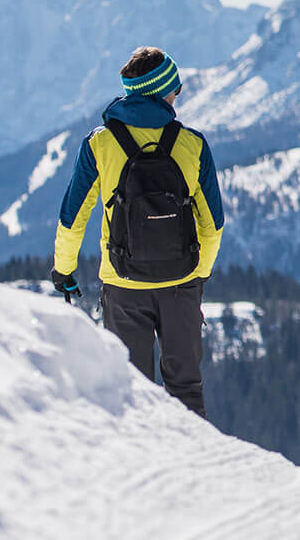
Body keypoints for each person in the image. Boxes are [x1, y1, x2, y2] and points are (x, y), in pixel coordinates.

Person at [52, 46, 225, 417]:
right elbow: (213, 226)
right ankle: (194, 455)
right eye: (175, 89)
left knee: (132, 392)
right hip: (181, 284)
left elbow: (73, 216)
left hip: (123, 284)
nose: (178, 95)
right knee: (186, 389)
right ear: (162, 92)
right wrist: (198, 275)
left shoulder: (99, 143)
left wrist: (63, 270)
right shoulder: (193, 144)